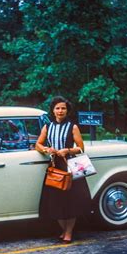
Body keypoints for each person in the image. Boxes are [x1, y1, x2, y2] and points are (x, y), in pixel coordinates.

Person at [36, 96, 92, 244]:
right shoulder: (48, 127)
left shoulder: (72, 126)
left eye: (63, 108)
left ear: (67, 111)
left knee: (71, 202)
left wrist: (67, 150)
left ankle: (68, 232)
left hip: (70, 167)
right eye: (57, 108)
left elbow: (80, 148)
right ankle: (63, 229)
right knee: (54, 201)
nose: (60, 111)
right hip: (54, 168)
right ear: (53, 110)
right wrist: (47, 149)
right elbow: (38, 144)